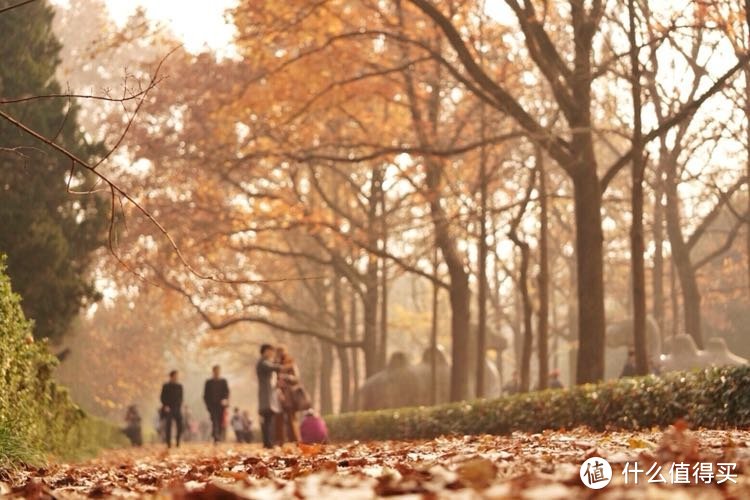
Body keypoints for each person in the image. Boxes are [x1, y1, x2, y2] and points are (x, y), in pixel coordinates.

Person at [257, 344, 283, 448]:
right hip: (266, 395)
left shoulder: (265, 362)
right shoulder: (263, 362)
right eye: (270, 351)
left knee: (268, 420)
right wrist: (281, 364)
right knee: (268, 419)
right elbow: (274, 368)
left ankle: (268, 442)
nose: (272, 353)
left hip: (268, 395)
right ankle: (268, 443)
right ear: (265, 351)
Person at [275, 346, 302, 444]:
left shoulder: (291, 363)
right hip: (278, 394)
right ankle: (280, 441)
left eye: (281, 352)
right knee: (278, 418)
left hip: (289, 394)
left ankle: (295, 440)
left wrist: (285, 377)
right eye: (277, 352)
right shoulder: (274, 364)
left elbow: (296, 378)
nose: (279, 354)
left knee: (291, 418)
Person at [203, 365, 230, 444]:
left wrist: (225, 399)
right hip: (212, 406)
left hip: (221, 405)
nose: (217, 372)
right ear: (213, 371)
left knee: (220, 421)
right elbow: (205, 395)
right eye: (215, 371)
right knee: (214, 421)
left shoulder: (223, 381)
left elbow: (227, 392)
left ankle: (217, 435)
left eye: (218, 370)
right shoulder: (208, 382)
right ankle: (216, 437)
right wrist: (208, 405)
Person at [160, 370, 184, 448]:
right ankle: (168, 443)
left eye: (177, 376)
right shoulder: (166, 386)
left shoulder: (179, 386)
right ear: (171, 376)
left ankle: (178, 441)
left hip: (177, 408)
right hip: (168, 408)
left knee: (180, 425)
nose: (176, 377)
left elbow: (181, 397)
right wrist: (165, 406)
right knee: (168, 426)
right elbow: (162, 397)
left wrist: (180, 406)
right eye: (175, 376)